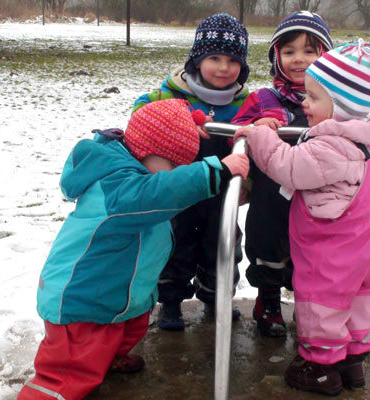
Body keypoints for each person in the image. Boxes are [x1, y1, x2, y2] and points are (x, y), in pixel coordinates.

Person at [18, 99, 249, 400]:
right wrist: (213, 172)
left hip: (117, 294)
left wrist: (186, 124)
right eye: (173, 165)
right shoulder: (118, 187)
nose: (174, 173)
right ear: (146, 152)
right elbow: (160, 192)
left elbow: (160, 163)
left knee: (129, 328)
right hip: (83, 302)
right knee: (68, 372)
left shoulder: (136, 166)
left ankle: (109, 358)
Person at [234, 40, 370, 396]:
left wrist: (260, 136)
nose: (305, 104)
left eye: (315, 98)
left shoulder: (333, 146)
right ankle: (352, 365)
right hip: (366, 246)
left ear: (343, 108)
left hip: (332, 249)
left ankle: (319, 369)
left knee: (323, 305)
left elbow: (288, 168)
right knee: (355, 304)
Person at [133, 13, 250, 331]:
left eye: (232, 60)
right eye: (214, 58)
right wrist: (175, 119)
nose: (224, 68)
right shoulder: (171, 93)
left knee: (224, 242)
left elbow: (261, 126)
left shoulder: (245, 103)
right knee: (174, 243)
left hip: (221, 192)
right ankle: (170, 302)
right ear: (197, 60)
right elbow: (142, 111)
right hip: (179, 188)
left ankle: (217, 296)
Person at [231, 11, 334, 337]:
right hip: (271, 195)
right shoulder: (263, 99)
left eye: (309, 51)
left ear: (325, 56)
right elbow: (234, 133)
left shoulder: (333, 101)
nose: (298, 59)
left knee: (315, 254)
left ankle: (310, 305)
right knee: (269, 243)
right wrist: (253, 128)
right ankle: (269, 299)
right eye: (289, 52)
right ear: (277, 57)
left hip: (317, 193)